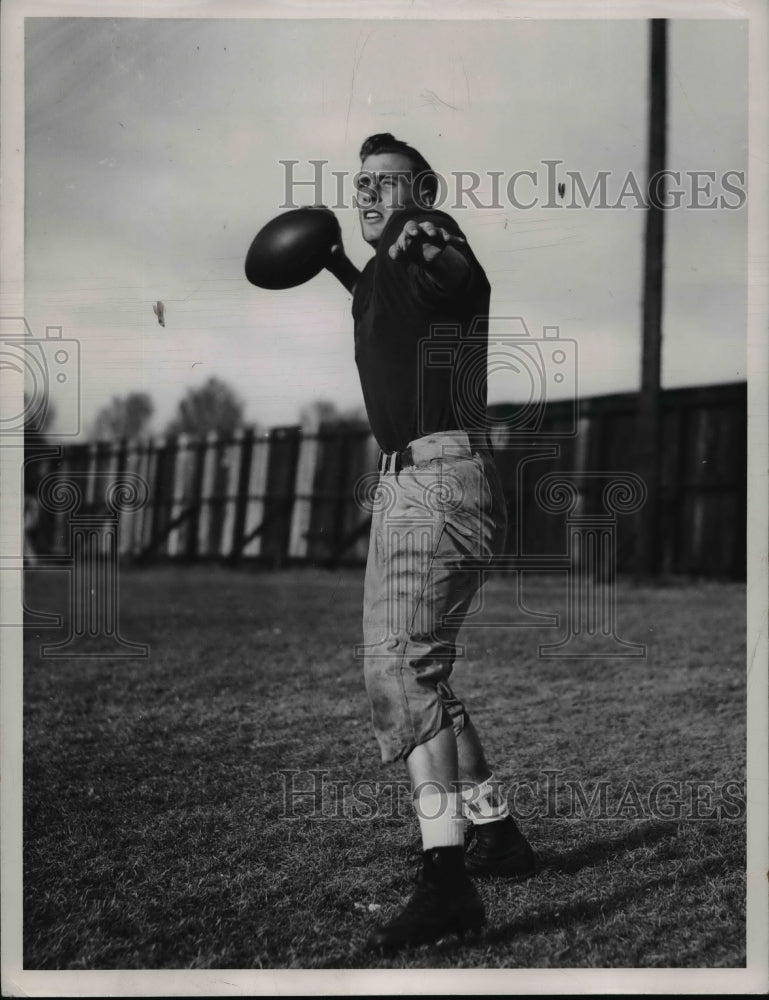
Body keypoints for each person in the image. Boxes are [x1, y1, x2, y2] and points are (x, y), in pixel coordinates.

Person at [320, 133, 536, 952]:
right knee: (423, 670)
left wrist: (425, 234)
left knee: (398, 664)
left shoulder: (429, 239)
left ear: (423, 190)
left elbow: (452, 273)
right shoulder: (377, 277)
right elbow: (378, 306)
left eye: (388, 184)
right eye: (361, 185)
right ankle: (496, 832)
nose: (372, 195)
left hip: (437, 477)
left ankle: (445, 879)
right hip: (411, 481)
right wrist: (339, 261)